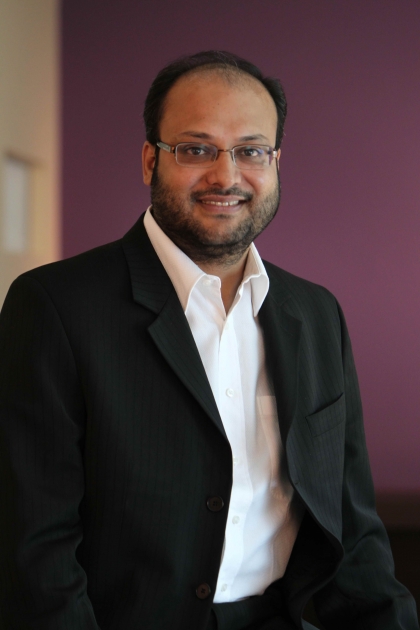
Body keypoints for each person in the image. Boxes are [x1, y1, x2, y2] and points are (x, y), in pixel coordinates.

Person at [0, 50, 418, 630]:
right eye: (196, 149)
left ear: (275, 162)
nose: (226, 176)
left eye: (251, 151)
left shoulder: (317, 315)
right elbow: (36, 556)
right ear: (150, 160)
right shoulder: (55, 307)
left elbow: (354, 535)